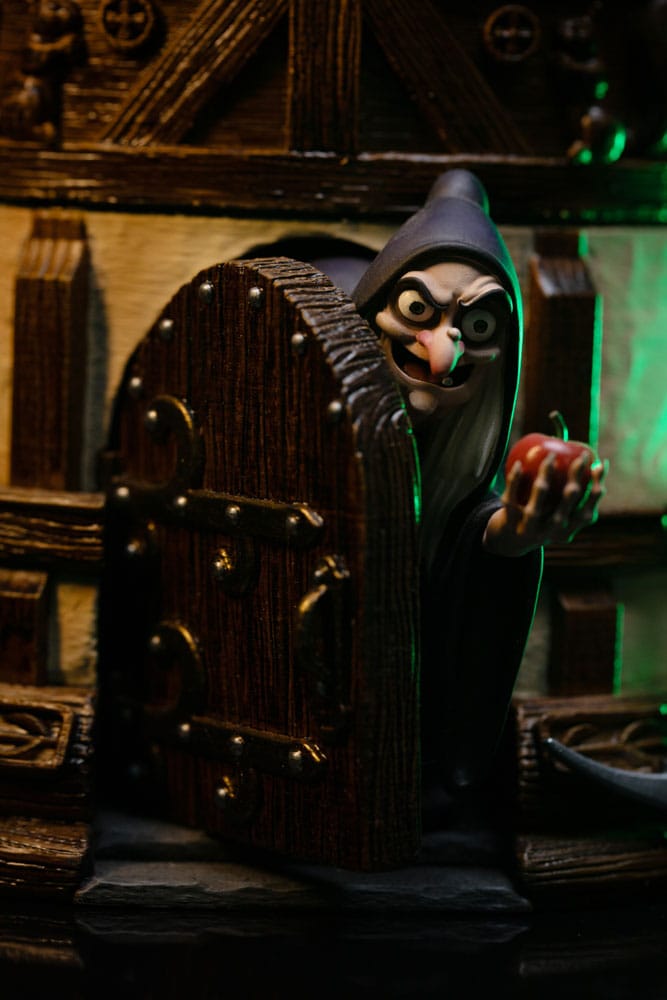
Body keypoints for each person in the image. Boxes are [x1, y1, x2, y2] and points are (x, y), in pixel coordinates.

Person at [352, 170, 606, 818]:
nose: (444, 351)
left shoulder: (461, 478)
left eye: (479, 322)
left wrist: (515, 535)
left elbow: (470, 535)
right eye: (418, 311)